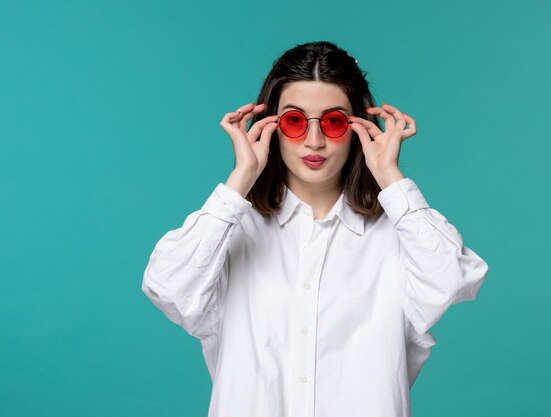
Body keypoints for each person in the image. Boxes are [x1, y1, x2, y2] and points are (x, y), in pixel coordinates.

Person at [142, 40, 489, 417]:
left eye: (334, 121)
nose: (314, 140)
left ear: (357, 127)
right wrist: (240, 179)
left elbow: (455, 280)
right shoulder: (233, 233)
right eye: (293, 120)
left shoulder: (398, 236)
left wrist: (390, 177)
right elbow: (169, 288)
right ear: (270, 126)